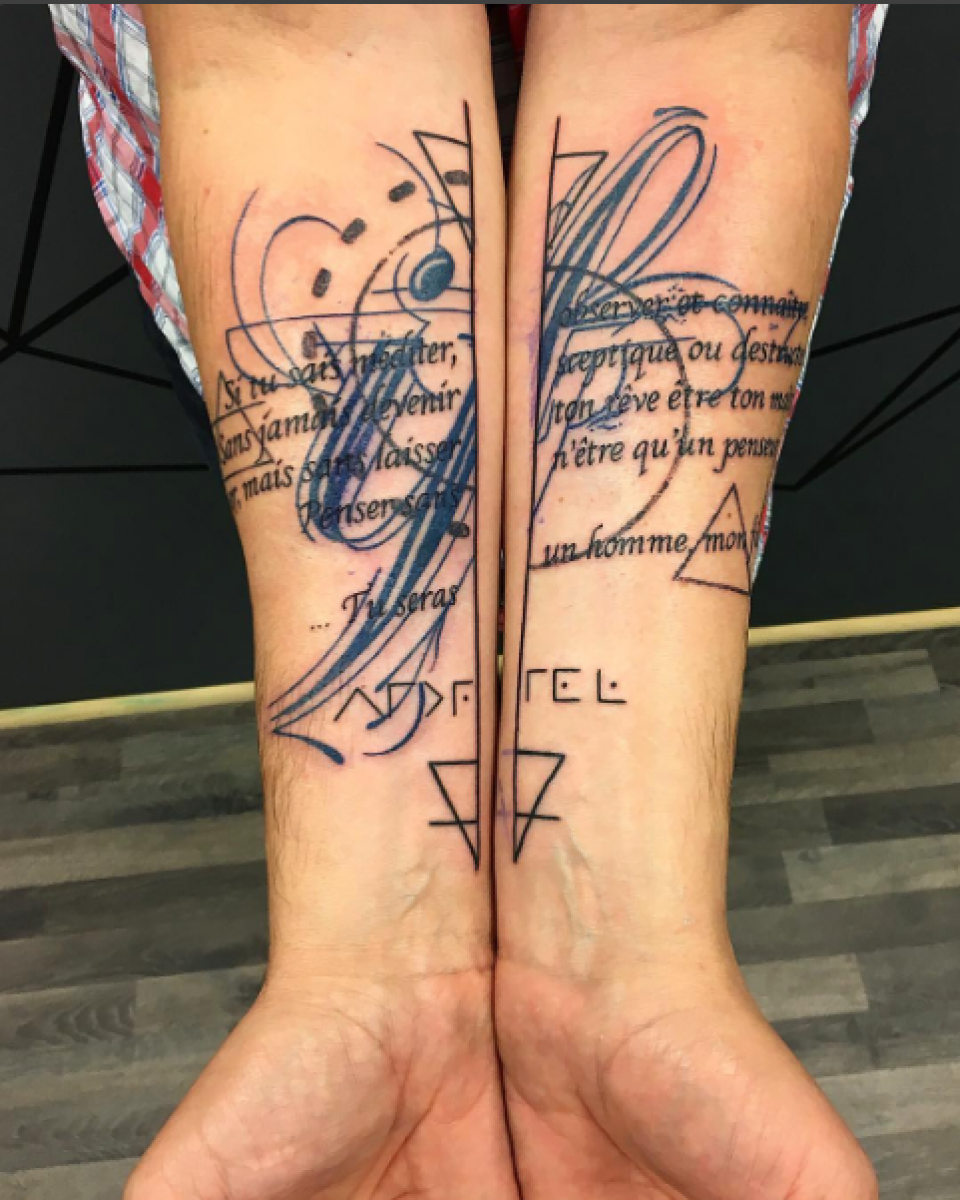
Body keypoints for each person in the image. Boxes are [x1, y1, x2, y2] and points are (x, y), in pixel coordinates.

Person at [49, 5, 886, 1198]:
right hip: (291, 244)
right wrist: (371, 971)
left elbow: (707, 32)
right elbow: (289, 39)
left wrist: (618, 964)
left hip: (697, 248)